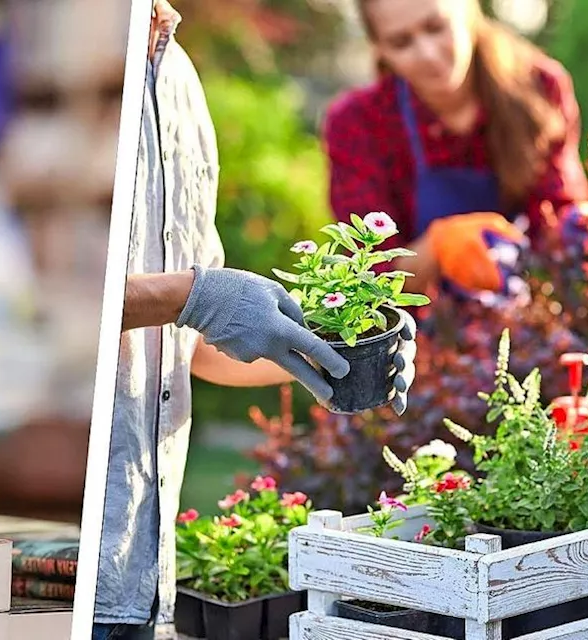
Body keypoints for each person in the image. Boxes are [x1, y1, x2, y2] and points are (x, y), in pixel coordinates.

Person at [92, 3, 418, 638]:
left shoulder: (179, 80)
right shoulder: (102, 66)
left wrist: (330, 355)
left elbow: (191, 348)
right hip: (90, 563)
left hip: (141, 576)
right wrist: (191, 295)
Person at [322, 0, 588, 298]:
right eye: (401, 42)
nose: (427, 53)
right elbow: (368, 274)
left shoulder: (539, 87)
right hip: (422, 331)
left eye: (436, 27)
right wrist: (436, 248)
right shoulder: (357, 123)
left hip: (529, 310)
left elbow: (555, 214)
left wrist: (584, 230)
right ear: (380, 48)